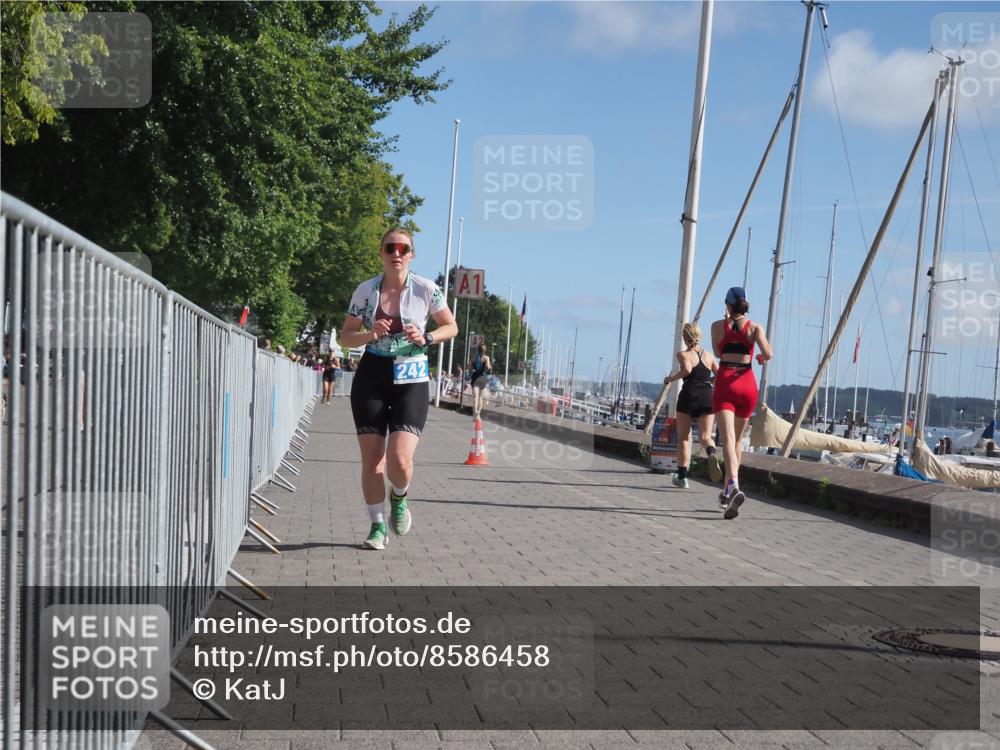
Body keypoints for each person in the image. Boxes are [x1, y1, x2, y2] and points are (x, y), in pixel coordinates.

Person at [339, 228, 458, 550]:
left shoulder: (426, 289)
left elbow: (451, 326)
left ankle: (400, 497)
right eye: (389, 248)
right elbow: (345, 337)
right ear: (380, 253)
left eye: (403, 249)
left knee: (400, 461)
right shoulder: (366, 291)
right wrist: (369, 335)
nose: (396, 253)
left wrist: (427, 338)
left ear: (411, 255)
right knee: (372, 461)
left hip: (412, 375)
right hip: (373, 374)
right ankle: (377, 526)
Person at [710, 287, 772, 519]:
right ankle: (727, 493)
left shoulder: (717, 326)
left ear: (727, 304)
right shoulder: (755, 328)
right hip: (747, 384)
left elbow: (717, 352)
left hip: (726, 382)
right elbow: (768, 353)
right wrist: (759, 357)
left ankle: (733, 486)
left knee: (726, 441)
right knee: (737, 441)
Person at [662, 322, 722, 490]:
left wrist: (670, 378)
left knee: (684, 438)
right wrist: (709, 381)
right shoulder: (709, 356)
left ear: (684, 337)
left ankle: (682, 477)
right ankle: (711, 452)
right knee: (705, 436)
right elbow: (719, 375)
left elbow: (687, 369)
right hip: (706, 396)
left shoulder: (682, 354)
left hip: (688, 396)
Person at [470, 343, 492, 419]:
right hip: (482, 377)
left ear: (478, 349)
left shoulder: (473, 358)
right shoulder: (486, 358)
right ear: (485, 350)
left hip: (475, 377)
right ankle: (478, 413)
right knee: (480, 397)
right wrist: (489, 365)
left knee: (475, 396)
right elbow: (488, 367)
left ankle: (475, 411)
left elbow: (468, 367)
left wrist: (473, 366)